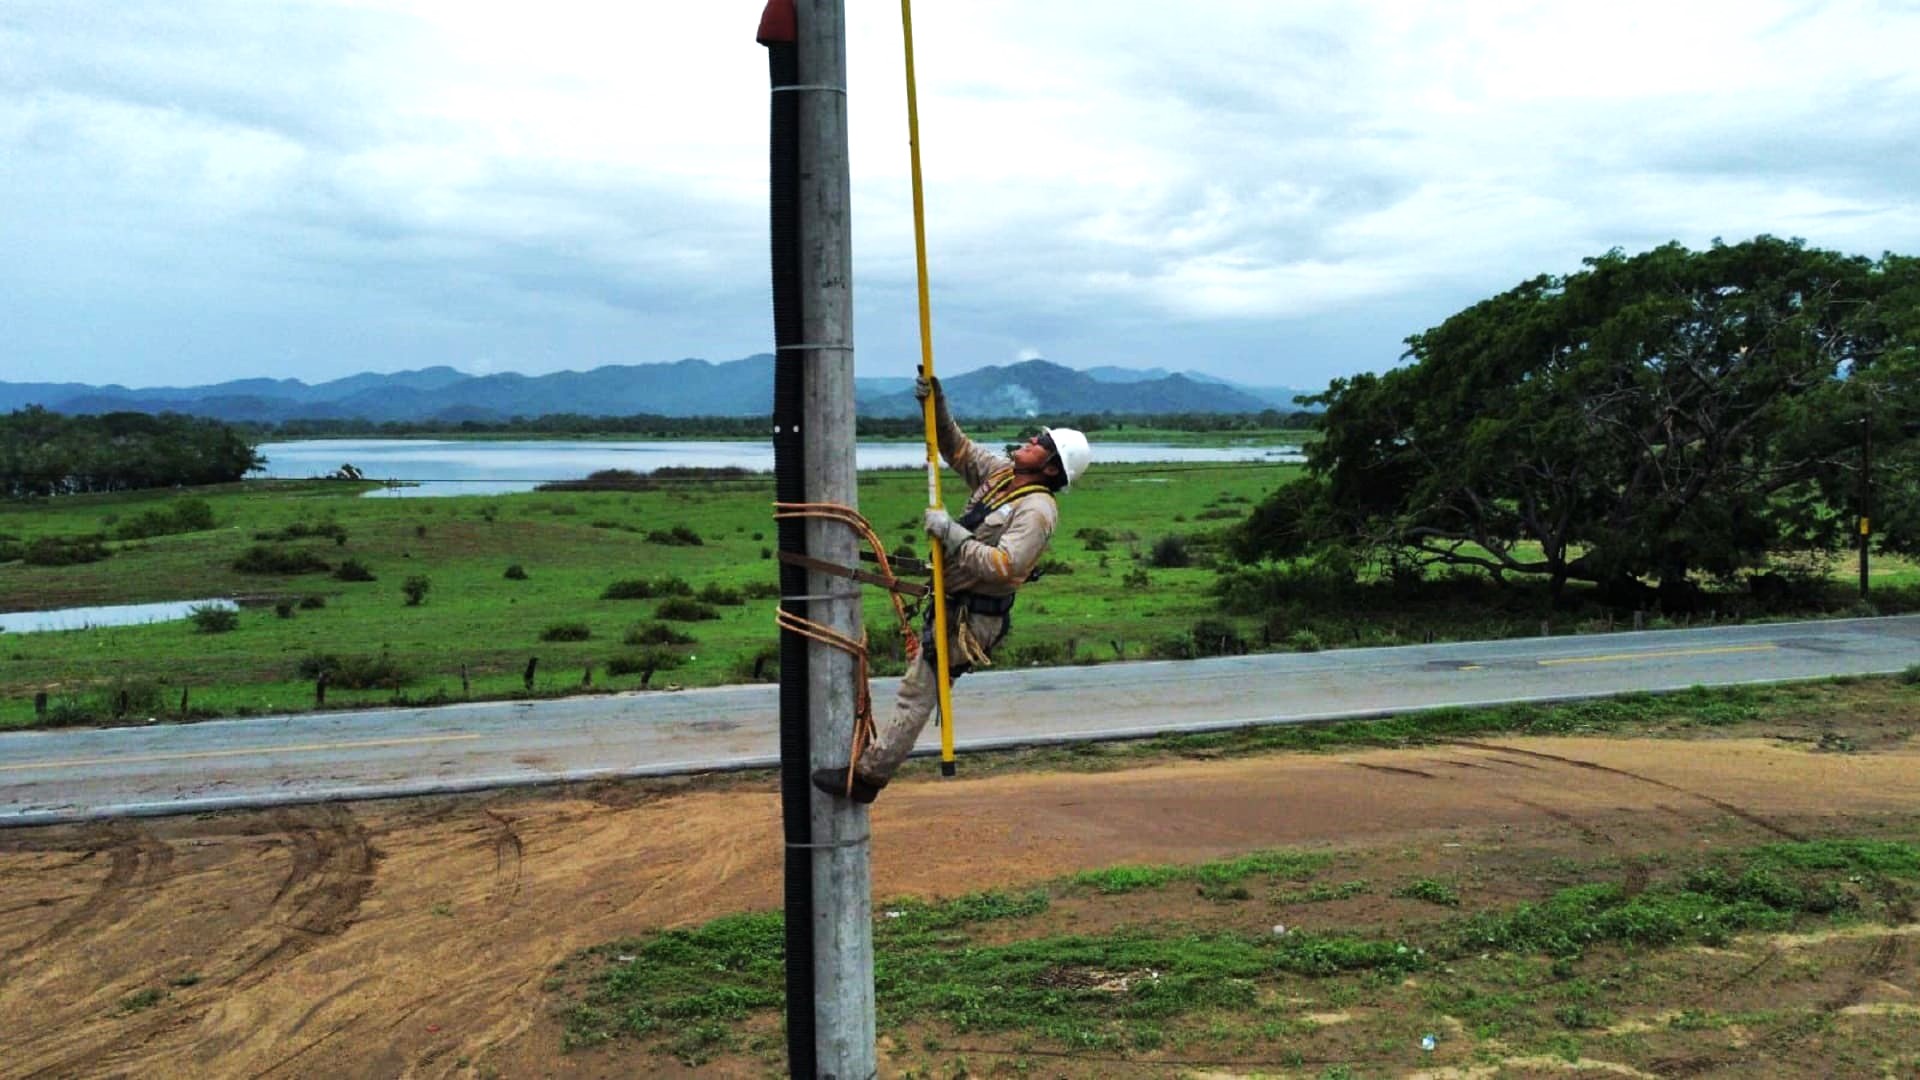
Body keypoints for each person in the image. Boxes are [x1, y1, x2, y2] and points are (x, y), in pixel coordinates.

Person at [813, 375, 1091, 803]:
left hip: (974, 619)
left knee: (917, 692)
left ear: (1051, 467)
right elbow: (954, 445)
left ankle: (867, 778)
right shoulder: (1001, 475)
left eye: (1040, 442)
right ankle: (868, 772)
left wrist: (953, 535)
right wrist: (935, 404)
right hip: (952, 600)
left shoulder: (1037, 510)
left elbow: (1005, 567)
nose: (1030, 439)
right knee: (917, 687)